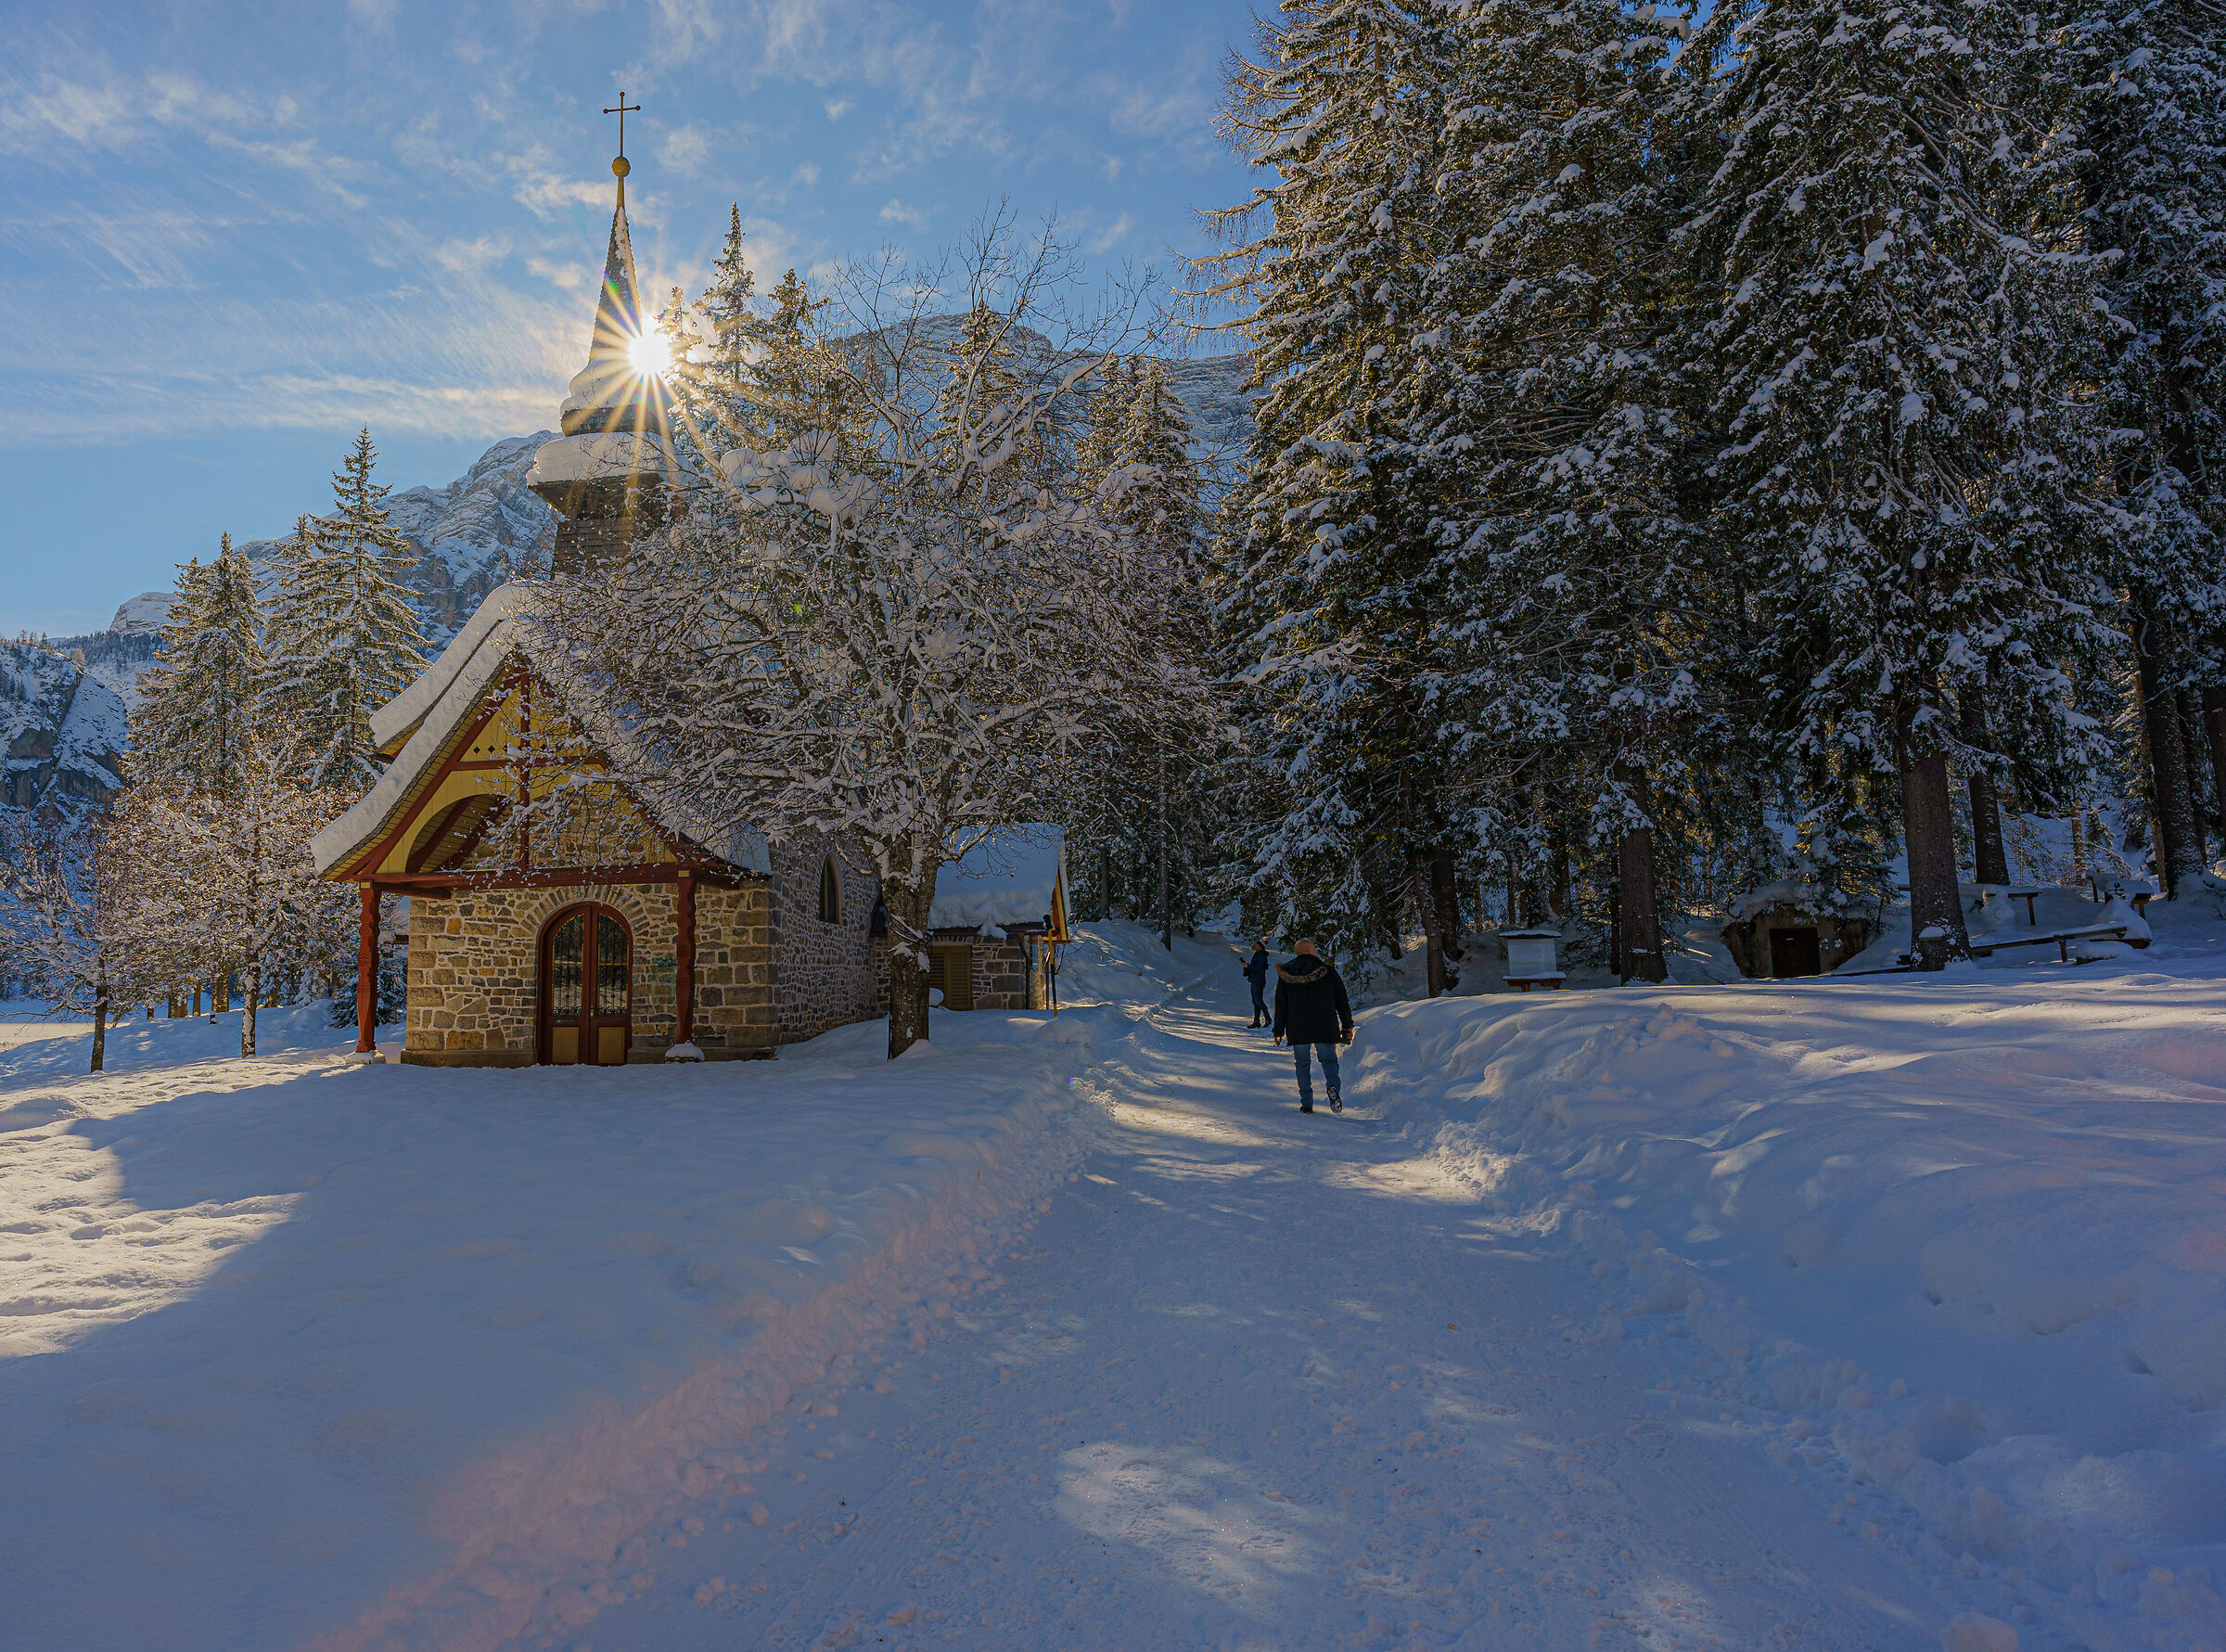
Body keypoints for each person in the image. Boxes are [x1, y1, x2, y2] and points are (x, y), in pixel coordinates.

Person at [1272, 939, 1354, 1113]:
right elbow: (1342, 1001)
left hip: (1297, 1027)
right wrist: (1347, 1026)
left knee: (1302, 1064)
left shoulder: (1286, 973)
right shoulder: (1328, 971)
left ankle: (1307, 1103)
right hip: (1325, 1025)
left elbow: (1281, 1004)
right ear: (1310, 951)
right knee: (1329, 1061)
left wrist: (1278, 1030)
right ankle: (1333, 1087)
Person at [1242, 939, 1272, 1029]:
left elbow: (1259, 967)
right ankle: (1256, 1021)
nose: (1254, 945)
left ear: (1260, 946)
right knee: (1255, 1001)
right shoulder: (1258, 954)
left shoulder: (1261, 955)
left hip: (1258, 981)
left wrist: (1248, 966)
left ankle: (1268, 1019)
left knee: (1258, 1000)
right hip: (1255, 980)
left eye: (1256, 944)